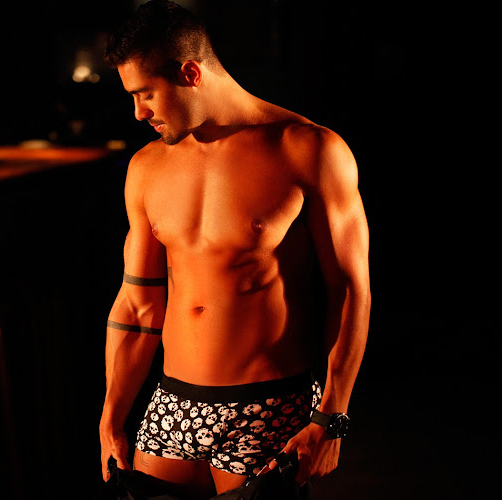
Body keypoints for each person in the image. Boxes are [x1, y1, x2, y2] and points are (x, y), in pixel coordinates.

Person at [98, 1, 371, 498]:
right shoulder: (146, 168)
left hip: (268, 406)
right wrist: (111, 415)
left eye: (145, 94)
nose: (138, 113)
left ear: (190, 73)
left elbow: (349, 291)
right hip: (171, 405)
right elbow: (138, 305)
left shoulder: (309, 149)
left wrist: (332, 417)